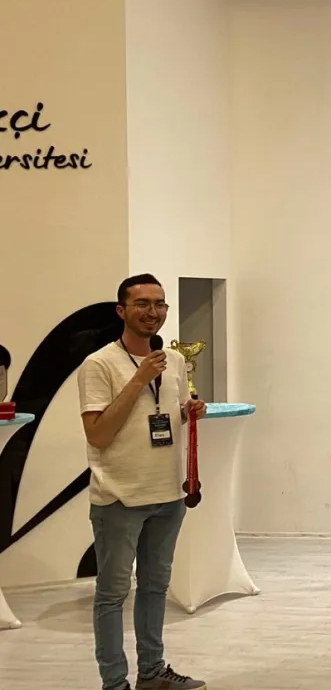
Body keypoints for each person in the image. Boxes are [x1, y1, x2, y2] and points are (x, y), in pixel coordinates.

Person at [77, 274, 206, 690]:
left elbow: (162, 418)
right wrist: (137, 379)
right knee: (112, 595)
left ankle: (152, 672)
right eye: (142, 303)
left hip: (168, 493)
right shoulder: (99, 364)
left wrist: (188, 412)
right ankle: (114, 683)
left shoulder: (175, 362)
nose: (153, 312)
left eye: (159, 304)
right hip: (119, 497)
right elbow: (98, 434)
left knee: (154, 588)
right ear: (122, 311)